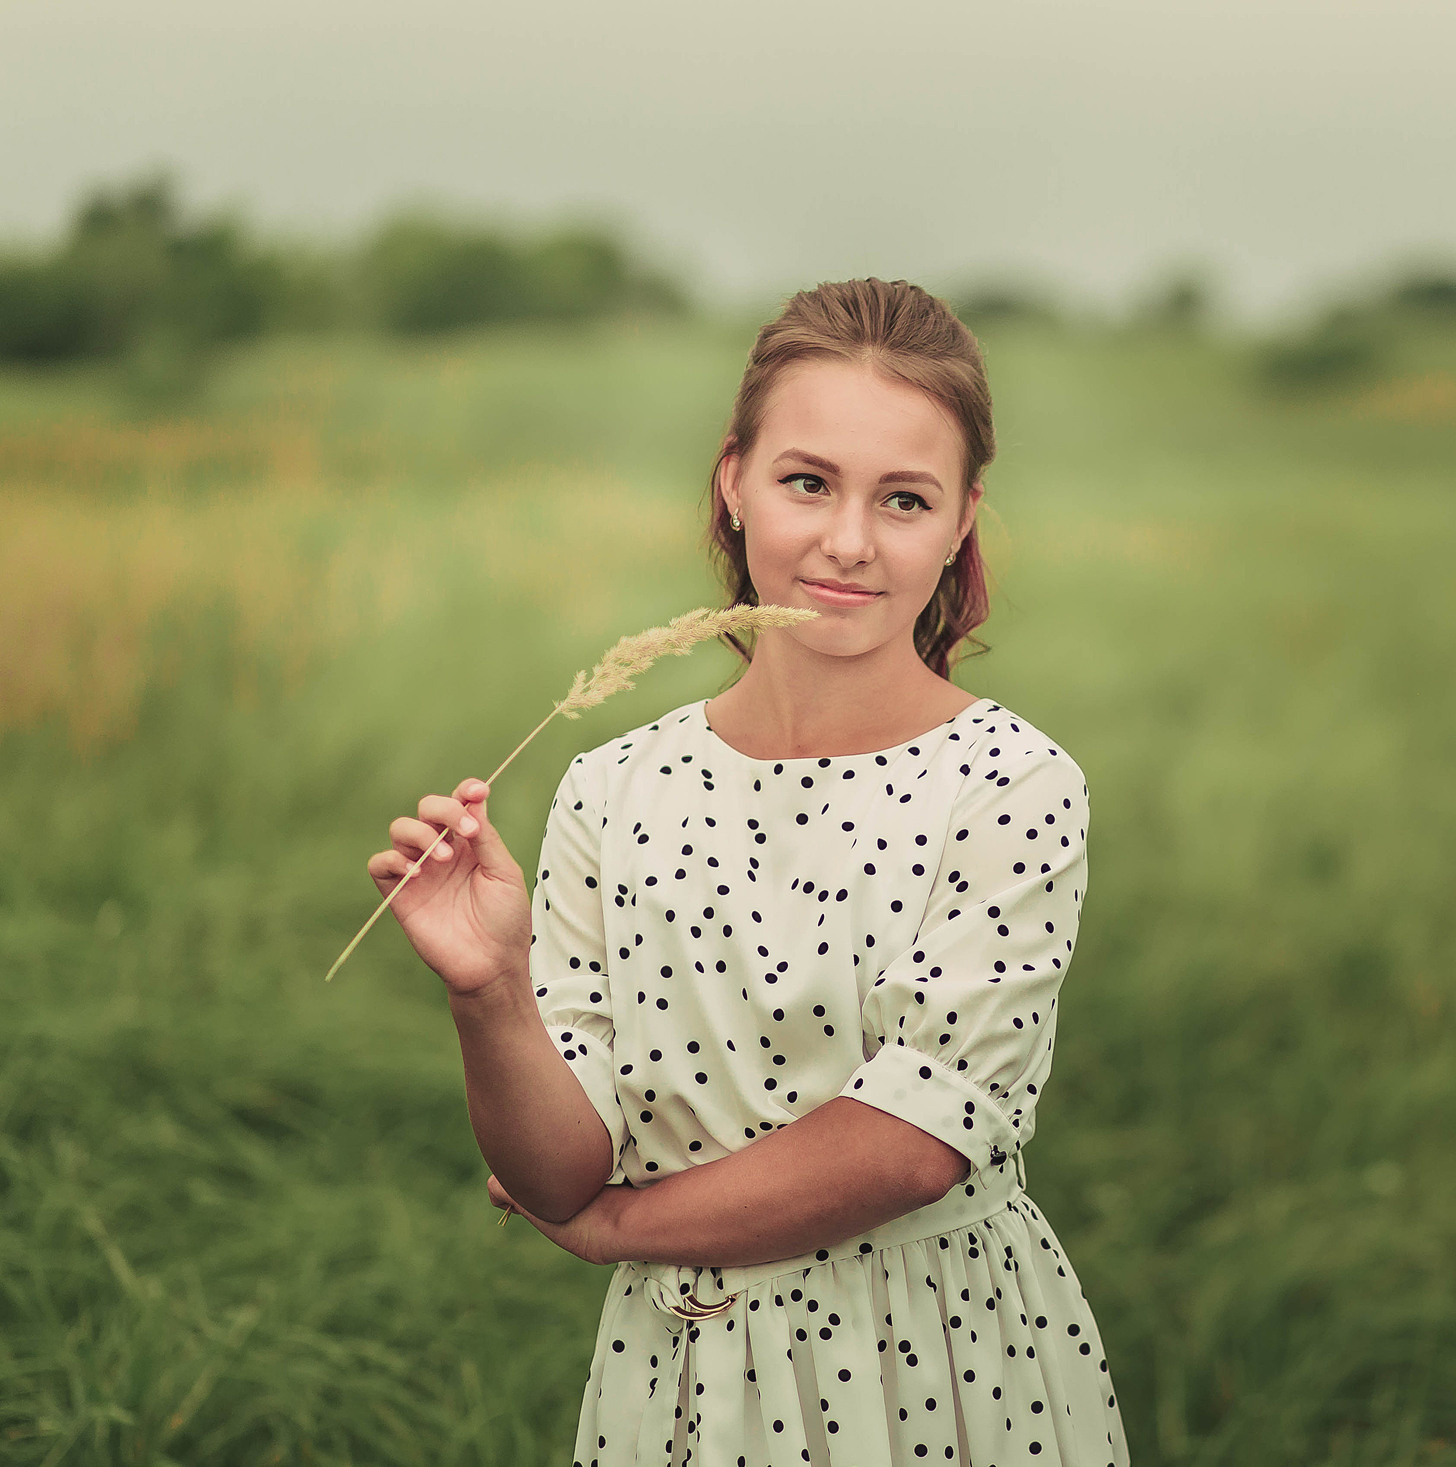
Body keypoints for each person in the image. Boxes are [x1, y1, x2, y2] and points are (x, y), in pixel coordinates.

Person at [368, 278, 1128, 1466]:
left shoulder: (1012, 784)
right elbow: (555, 1163)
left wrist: (623, 1228)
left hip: (933, 1359)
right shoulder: (612, 789)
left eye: (906, 499)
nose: (848, 542)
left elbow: (912, 1139)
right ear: (735, 478)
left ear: (964, 517)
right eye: (808, 481)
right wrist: (491, 992)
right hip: (675, 1379)